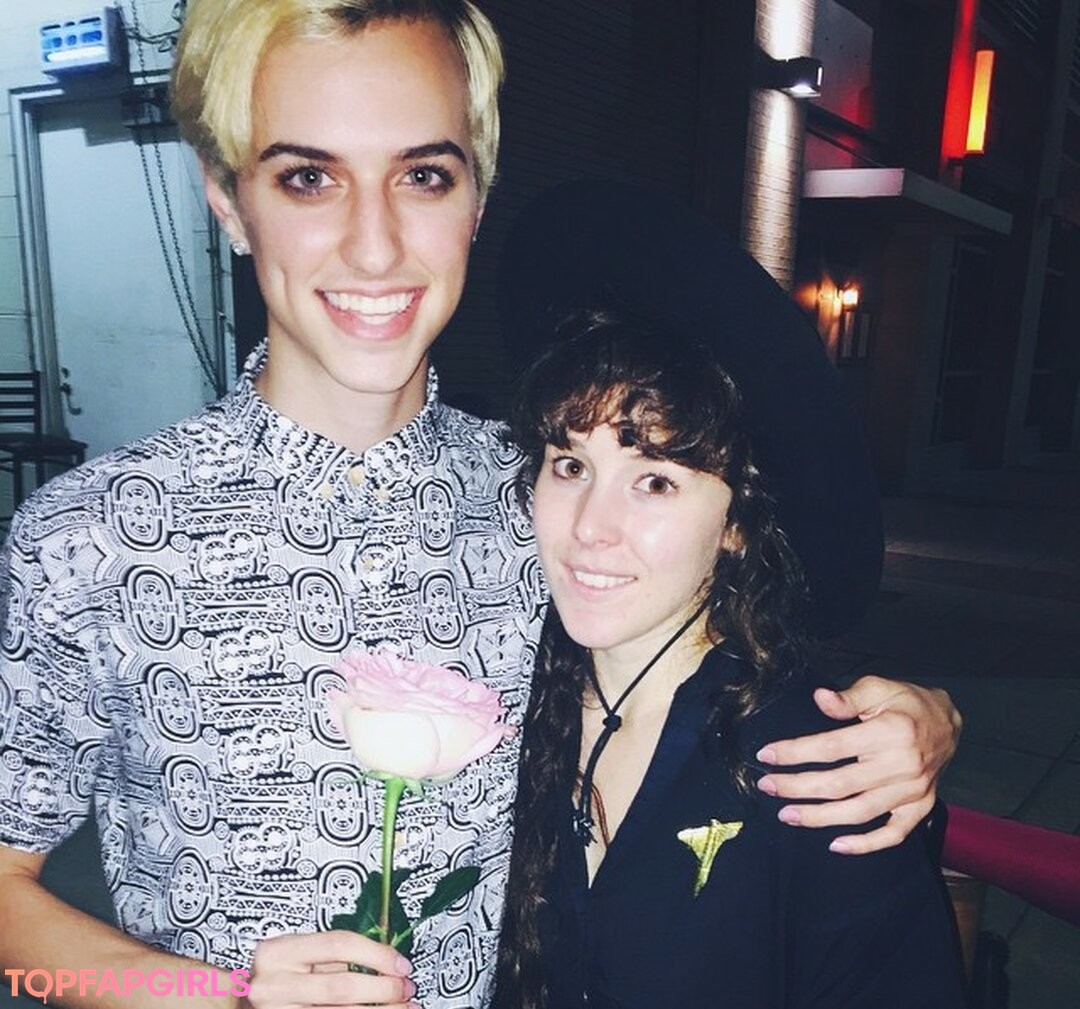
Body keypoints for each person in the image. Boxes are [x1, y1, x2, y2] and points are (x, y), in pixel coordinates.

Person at [0, 4, 957, 1008]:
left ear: (476, 200)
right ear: (228, 201)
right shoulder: (86, 540)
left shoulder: (540, 495)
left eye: (423, 175)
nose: (374, 247)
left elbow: (720, 647)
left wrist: (914, 719)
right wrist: (211, 993)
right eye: (308, 177)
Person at [494, 181, 967, 1008]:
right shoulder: (506, 696)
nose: (590, 527)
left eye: (655, 480)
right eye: (570, 465)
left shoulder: (823, 771)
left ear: (737, 523)